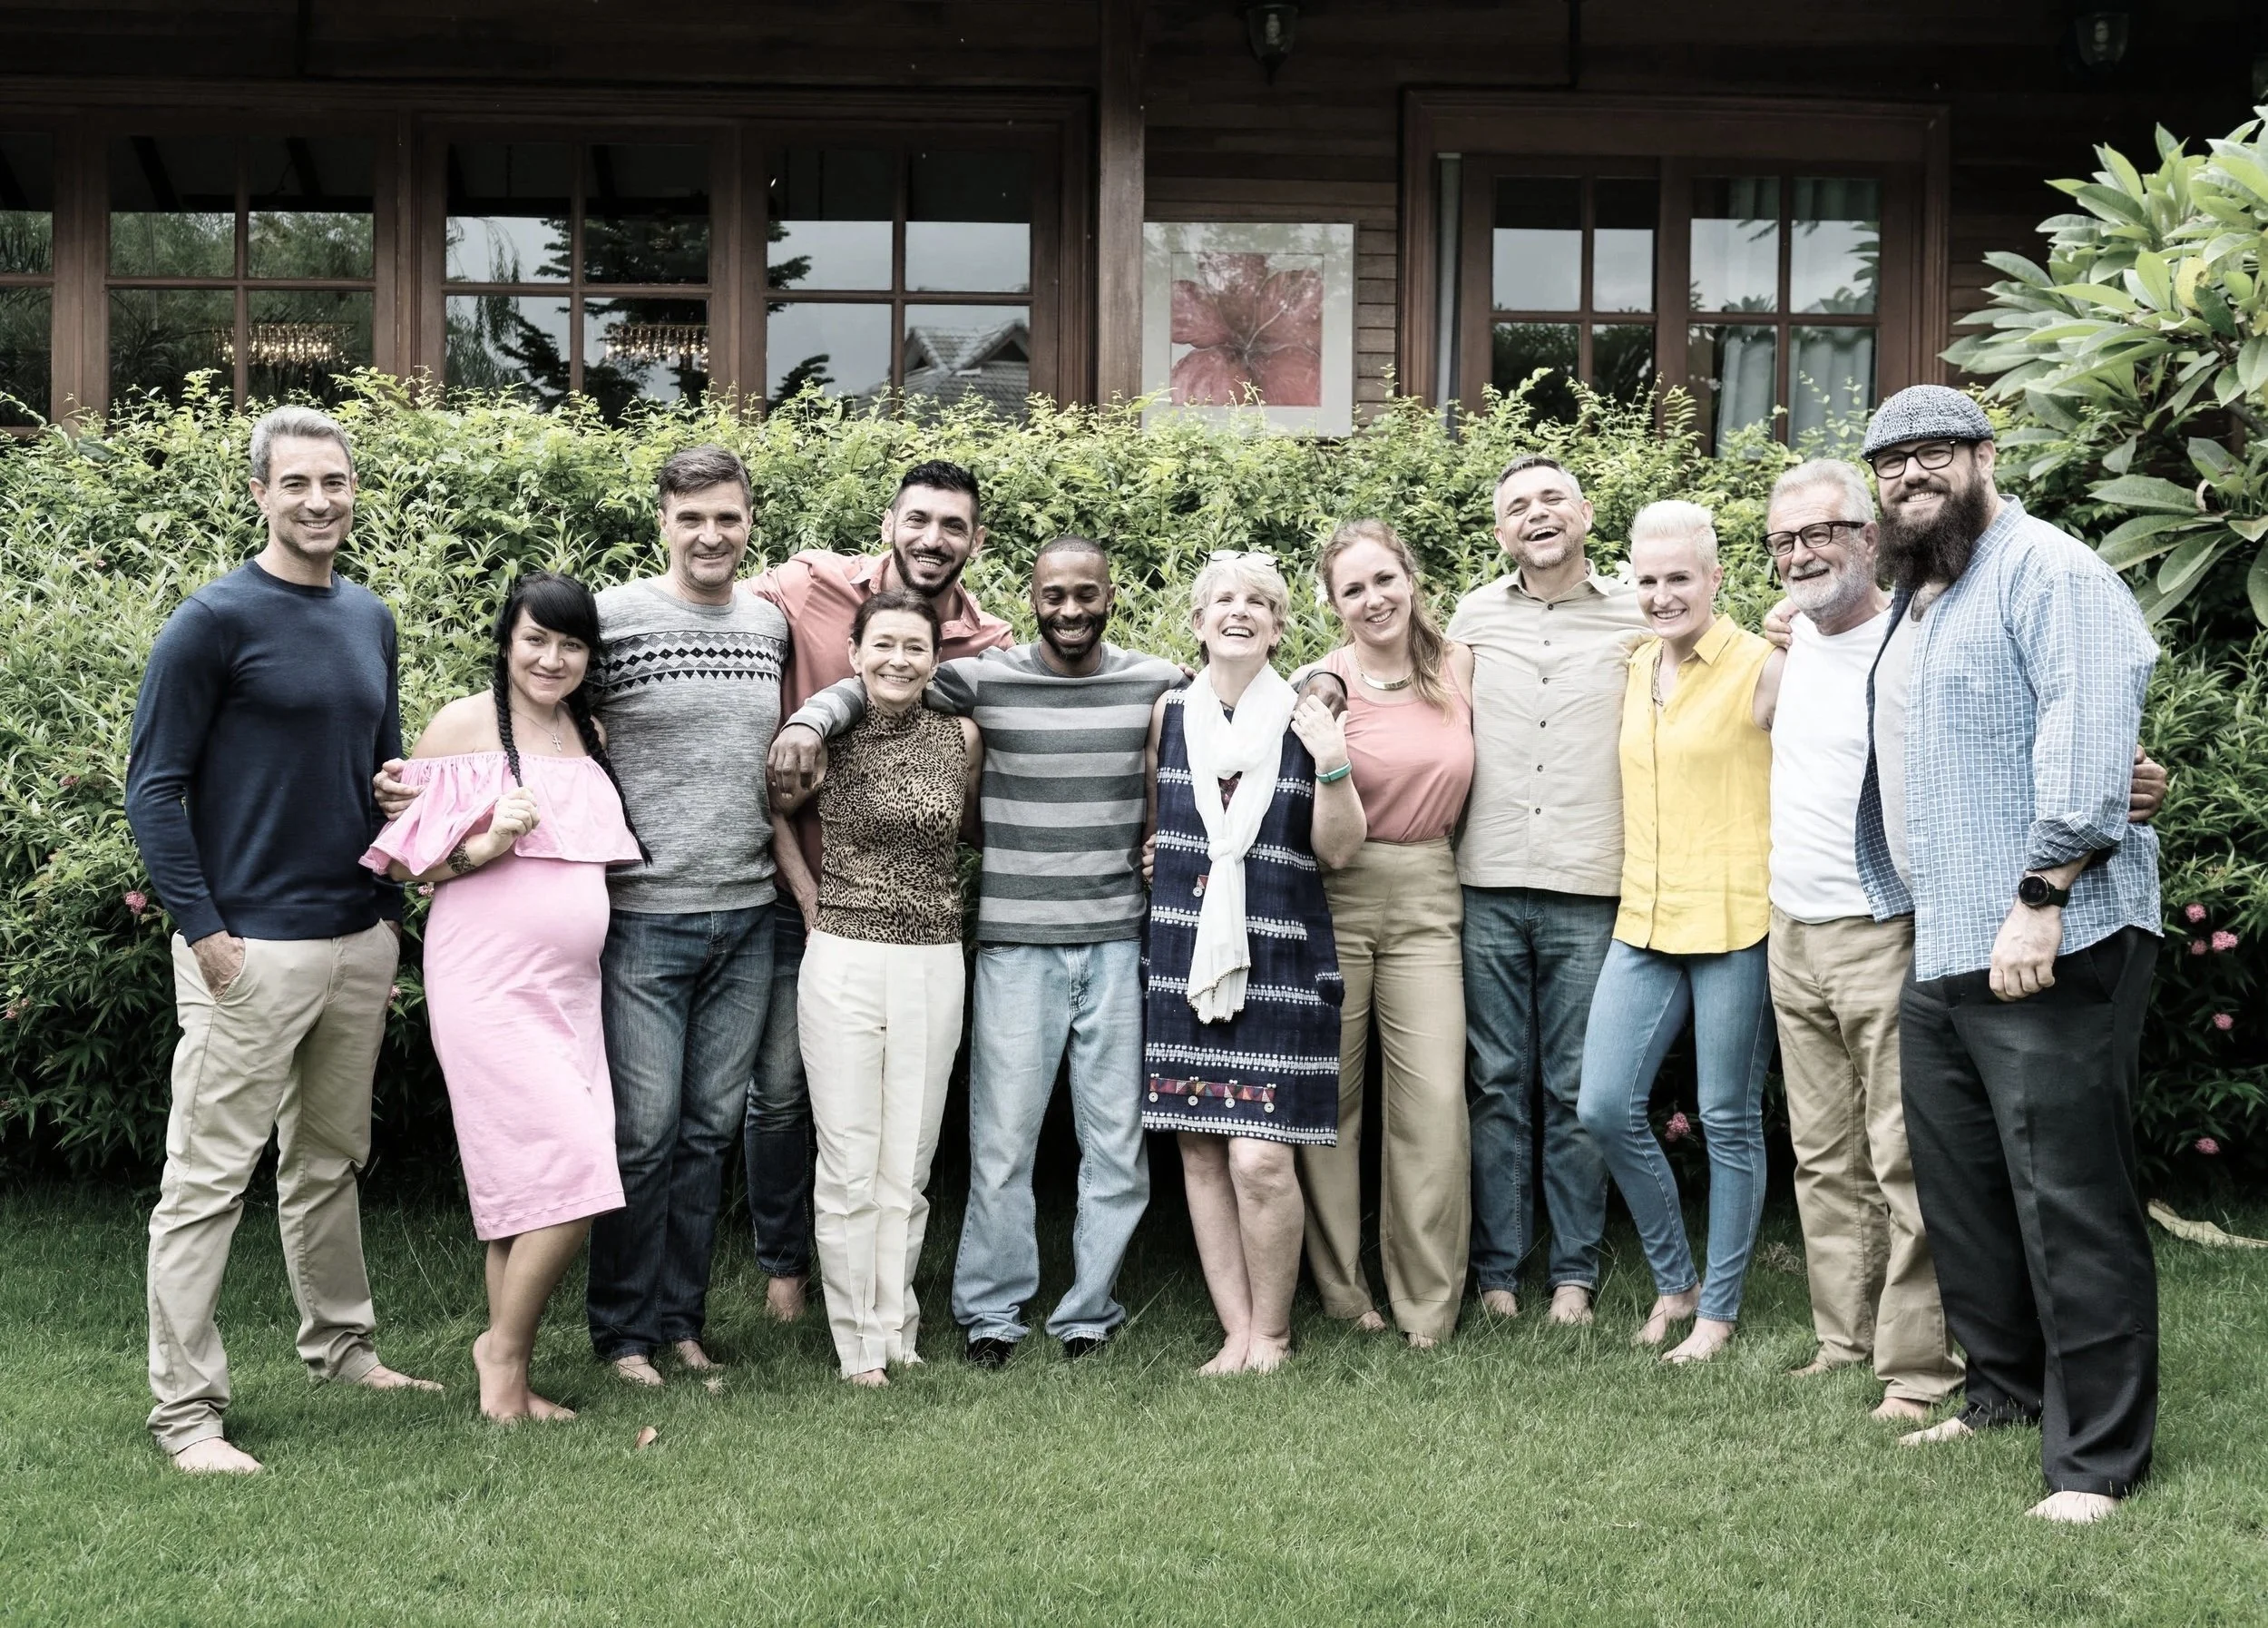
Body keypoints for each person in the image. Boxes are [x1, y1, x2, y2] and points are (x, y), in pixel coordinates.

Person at [379, 445, 791, 1388]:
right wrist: (413, 793)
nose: (710, 533)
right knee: (639, 1139)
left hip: (744, 910)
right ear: (662, 521)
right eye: (691, 517)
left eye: (727, 516)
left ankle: (679, 1327)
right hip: (641, 921)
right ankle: (623, 1336)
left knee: (706, 1136)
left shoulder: (769, 627)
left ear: (749, 521)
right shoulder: (610, 622)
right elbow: (521, 700)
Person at [1853, 386, 2162, 1525]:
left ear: (1985, 457)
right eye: (1889, 463)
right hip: (1946, 941)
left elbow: (2089, 736)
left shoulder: (2053, 573)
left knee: (2066, 1195)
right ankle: (2003, 1393)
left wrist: (2042, 893)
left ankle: (2095, 1461)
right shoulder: (1923, 594)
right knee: (1969, 1192)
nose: (1909, 476)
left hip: (2051, 933)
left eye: (1932, 454)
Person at [125, 405, 439, 1476]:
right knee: (207, 1179)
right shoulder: (212, 620)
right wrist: (204, 933)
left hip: (354, 937)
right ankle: (187, 1415)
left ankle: (342, 1348)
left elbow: (381, 770)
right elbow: (155, 788)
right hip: (249, 948)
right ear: (259, 492)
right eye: (296, 483)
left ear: (355, 492)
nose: (319, 501)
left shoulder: (368, 617)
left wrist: (392, 884)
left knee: (327, 1161)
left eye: (335, 482)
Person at [777, 536, 1180, 1368]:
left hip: (1115, 943)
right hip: (1012, 944)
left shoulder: (1156, 683)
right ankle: (992, 1311)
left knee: (1116, 1146)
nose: (1071, 609)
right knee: (1002, 1143)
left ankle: (1089, 1311)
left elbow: (1231, 708)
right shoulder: (982, 678)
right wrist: (811, 715)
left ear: (1112, 595)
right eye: (1053, 595)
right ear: (1028, 600)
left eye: (1087, 594)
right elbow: (877, 682)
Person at [362, 572, 641, 1422]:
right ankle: (501, 1352)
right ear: (507, 641)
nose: (551, 659)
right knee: (584, 1169)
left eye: (570, 644)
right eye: (536, 640)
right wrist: (489, 840)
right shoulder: (463, 723)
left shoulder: (582, 731)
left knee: (524, 1184)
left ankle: (510, 1387)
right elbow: (413, 869)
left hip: (569, 989)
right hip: (488, 980)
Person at [748, 459, 1014, 1323]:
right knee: (788, 1095)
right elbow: (706, 608)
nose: (934, 538)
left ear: (974, 540)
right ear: (891, 522)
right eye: (921, 519)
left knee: (901, 1125)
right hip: (812, 900)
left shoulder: (988, 645)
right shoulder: (807, 585)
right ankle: (790, 1266)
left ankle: (880, 1300)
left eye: (954, 526)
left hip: (912, 925)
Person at [1758, 461, 1964, 1423]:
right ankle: (1841, 1338)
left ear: (1867, 537)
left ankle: (1919, 1371)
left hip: (1878, 930)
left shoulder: (1913, 638)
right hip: (1788, 927)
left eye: (1821, 533)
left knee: (1902, 1155)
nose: (1800, 554)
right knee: (1821, 1153)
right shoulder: (1791, 639)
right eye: (1783, 540)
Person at [1141, 552, 1365, 1374]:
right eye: (1222, 601)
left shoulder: (1307, 717)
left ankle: (1272, 1333)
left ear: (1278, 628)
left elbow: (1339, 851)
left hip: (1284, 950)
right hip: (1184, 947)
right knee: (1200, 1146)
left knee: (1259, 1154)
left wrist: (1335, 757)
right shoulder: (1169, 715)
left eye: (1258, 603)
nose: (1240, 612)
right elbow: (1153, 821)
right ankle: (1235, 1331)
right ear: (1197, 624)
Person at [1574, 500, 1776, 1364]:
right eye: (1647, 580)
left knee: (1727, 1118)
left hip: (1737, 918)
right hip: (1645, 917)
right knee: (1604, 1107)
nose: (1662, 596)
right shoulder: (1631, 666)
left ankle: (1719, 1312)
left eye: (1679, 579)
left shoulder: (1768, 666)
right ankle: (1675, 1280)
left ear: (1716, 577)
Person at [1445, 456, 1645, 1326]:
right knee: (1494, 1080)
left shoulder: (1641, 611)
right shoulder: (1472, 616)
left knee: (1574, 1085)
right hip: (1485, 880)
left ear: (1586, 513)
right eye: (1517, 506)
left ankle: (1571, 1273)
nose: (1536, 514)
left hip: (1590, 880)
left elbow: (1727, 666)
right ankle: (1495, 1270)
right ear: (1500, 532)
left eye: (1552, 498)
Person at [771, 590, 983, 1385]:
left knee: (911, 1158)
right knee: (851, 1156)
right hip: (845, 958)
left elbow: (972, 828)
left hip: (934, 957)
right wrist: (807, 895)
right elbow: (776, 810)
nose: (900, 660)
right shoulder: (828, 734)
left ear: (935, 661)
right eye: (884, 645)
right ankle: (855, 1343)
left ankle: (898, 1328)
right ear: (855, 655)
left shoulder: (959, 736)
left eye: (916, 648)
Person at [1296, 519, 1474, 1350]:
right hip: (1338, 891)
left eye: (1384, 580)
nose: (1374, 600)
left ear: (1410, 576)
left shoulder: (1458, 666)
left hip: (1430, 892)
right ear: (1334, 607)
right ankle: (1341, 1289)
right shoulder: (1322, 684)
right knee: (1332, 1095)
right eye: (1353, 590)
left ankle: (1428, 1304)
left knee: (1434, 1100)